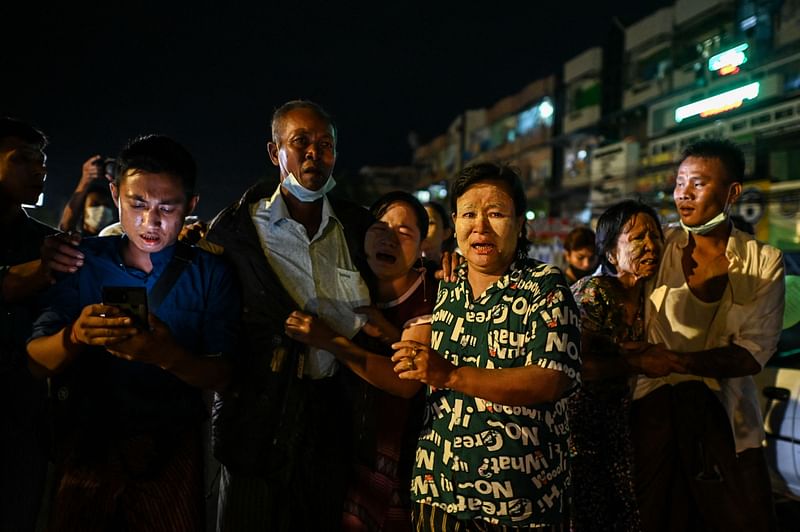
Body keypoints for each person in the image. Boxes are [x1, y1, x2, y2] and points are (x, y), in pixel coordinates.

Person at [26, 134, 240, 532]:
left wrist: (167, 355)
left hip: (171, 452)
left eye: (167, 208)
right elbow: (36, 362)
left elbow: (225, 374)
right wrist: (75, 336)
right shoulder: (80, 260)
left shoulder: (210, 274)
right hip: (88, 449)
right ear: (114, 194)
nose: (151, 221)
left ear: (191, 206)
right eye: (137, 204)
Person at [206, 100, 375, 531]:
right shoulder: (237, 231)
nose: (314, 154)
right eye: (301, 142)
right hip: (257, 421)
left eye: (326, 144)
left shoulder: (355, 228)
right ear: (274, 151)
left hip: (329, 428)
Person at [389, 162, 582, 529]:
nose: (480, 226)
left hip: (523, 503)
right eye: (469, 214)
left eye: (496, 213)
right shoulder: (440, 282)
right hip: (439, 493)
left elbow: (551, 379)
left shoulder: (545, 286)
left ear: (520, 223)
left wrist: (452, 375)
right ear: (454, 224)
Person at [624, 139, 784, 531]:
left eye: (697, 183)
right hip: (654, 420)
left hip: (729, 429)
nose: (683, 194)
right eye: (679, 183)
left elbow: (752, 355)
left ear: (732, 192)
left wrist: (670, 362)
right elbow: (603, 283)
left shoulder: (764, 261)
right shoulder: (658, 246)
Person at [285, 190, 436, 530]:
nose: (389, 239)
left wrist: (330, 340)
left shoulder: (428, 295)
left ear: (422, 245)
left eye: (404, 232)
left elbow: (405, 382)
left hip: (403, 459)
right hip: (352, 451)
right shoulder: (352, 280)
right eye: (380, 228)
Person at [0, 117, 85, 532]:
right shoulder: (46, 254)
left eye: (43, 160)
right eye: (23, 159)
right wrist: (36, 273)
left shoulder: (48, 242)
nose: (40, 169)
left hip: (23, 425)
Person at [568, 200, 663, 530]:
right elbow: (574, 365)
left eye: (655, 235)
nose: (650, 245)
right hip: (578, 435)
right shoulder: (593, 294)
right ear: (609, 253)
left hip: (617, 430)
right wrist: (638, 362)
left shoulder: (648, 294)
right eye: (637, 238)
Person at [59, 154, 117, 235]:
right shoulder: (76, 241)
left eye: (106, 205)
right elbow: (65, 228)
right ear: (82, 210)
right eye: (95, 204)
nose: (102, 209)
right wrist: (85, 180)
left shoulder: (117, 241)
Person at [421, 201, 455, 266]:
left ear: (446, 233)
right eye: (420, 223)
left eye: (430, 223)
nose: (423, 228)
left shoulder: (452, 265)